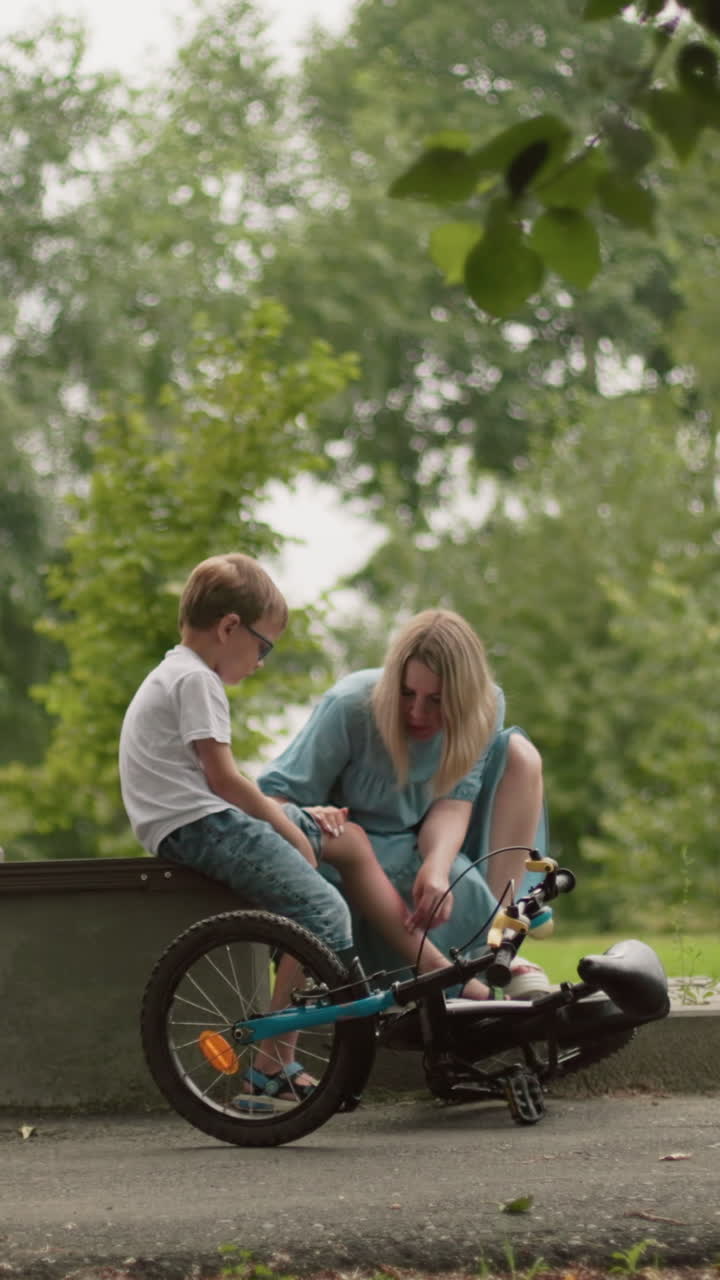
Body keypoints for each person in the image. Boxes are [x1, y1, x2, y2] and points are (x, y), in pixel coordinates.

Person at [119, 556, 493, 1105]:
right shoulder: (197, 681)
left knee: (350, 840)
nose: (261, 662)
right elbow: (224, 780)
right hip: (197, 824)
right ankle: (273, 1061)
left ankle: (440, 975)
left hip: (198, 816)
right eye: (263, 647)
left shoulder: (179, 672)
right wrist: (287, 827)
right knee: (323, 912)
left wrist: (308, 818)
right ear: (228, 628)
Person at [259, 608, 552, 997]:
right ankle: (459, 971)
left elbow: (454, 801)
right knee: (424, 878)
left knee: (520, 755)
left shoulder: (485, 706)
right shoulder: (351, 705)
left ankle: (500, 939)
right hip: (346, 855)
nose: (417, 712)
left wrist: (436, 866)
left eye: (436, 700)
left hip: (423, 840)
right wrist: (312, 816)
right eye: (407, 693)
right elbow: (272, 799)